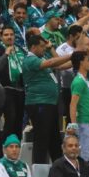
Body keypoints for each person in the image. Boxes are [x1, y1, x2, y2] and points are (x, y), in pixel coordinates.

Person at [22, 34, 72, 164]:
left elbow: (60, 64)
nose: (44, 49)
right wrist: (72, 55)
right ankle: (39, 169)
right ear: (33, 47)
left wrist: (51, 49)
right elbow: (51, 62)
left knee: (54, 138)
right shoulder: (30, 60)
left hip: (49, 103)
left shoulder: (42, 58)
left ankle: (59, 168)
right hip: (39, 102)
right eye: (42, 47)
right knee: (42, 138)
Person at [67, 51, 89, 163]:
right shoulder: (79, 82)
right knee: (84, 156)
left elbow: (88, 105)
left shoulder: (86, 81)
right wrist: (74, 124)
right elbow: (73, 104)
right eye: (88, 60)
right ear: (81, 62)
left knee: (88, 155)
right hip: (83, 123)